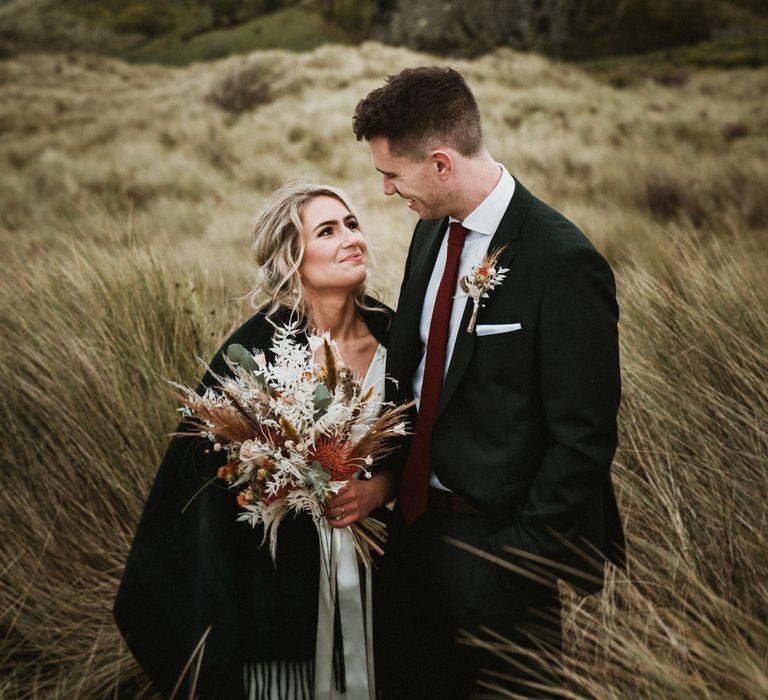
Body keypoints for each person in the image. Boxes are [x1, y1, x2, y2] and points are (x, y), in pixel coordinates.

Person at [353, 66, 626, 698]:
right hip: (415, 533)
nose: (389, 192)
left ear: (442, 163)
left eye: (392, 175)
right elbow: (416, 376)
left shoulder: (563, 262)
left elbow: (583, 440)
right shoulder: (430, 233)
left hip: (500, 550)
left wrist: (516, 563)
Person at [114, 181, 397, 700]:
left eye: (352, 224)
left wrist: (378, 489)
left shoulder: (398, 340)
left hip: (389, 573)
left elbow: (432, 447)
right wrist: (270, 482)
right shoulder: (252, 352)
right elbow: (202, 478)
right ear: (293, 256)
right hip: (278, 579)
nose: (350, 239)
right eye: (328, 231)